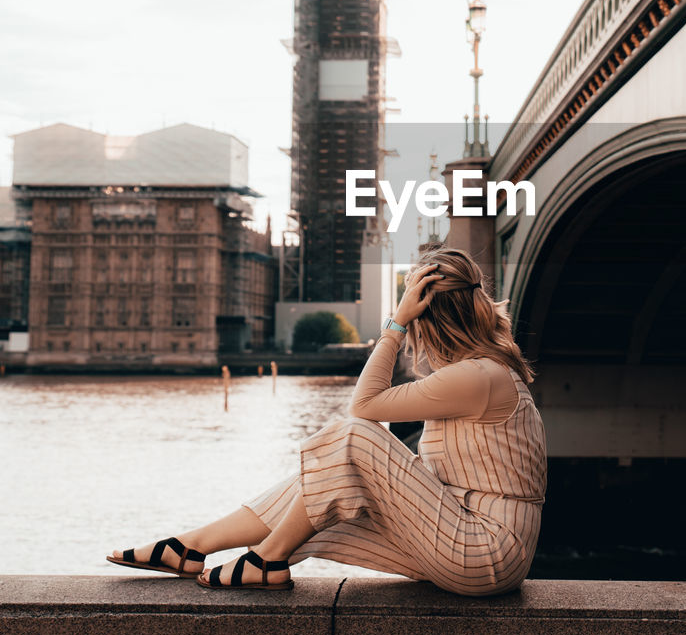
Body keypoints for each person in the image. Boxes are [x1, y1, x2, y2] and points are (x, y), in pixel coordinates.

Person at [107, 246, 547, 596]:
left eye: (415, 324)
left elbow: (363, 407)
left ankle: (267, 559)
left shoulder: (477, 377)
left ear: (427, 322)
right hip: (467, 537)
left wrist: (395, 323)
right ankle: (192, 546)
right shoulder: (477, 374)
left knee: (351, 437)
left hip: (486, 551)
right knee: (324, 480)